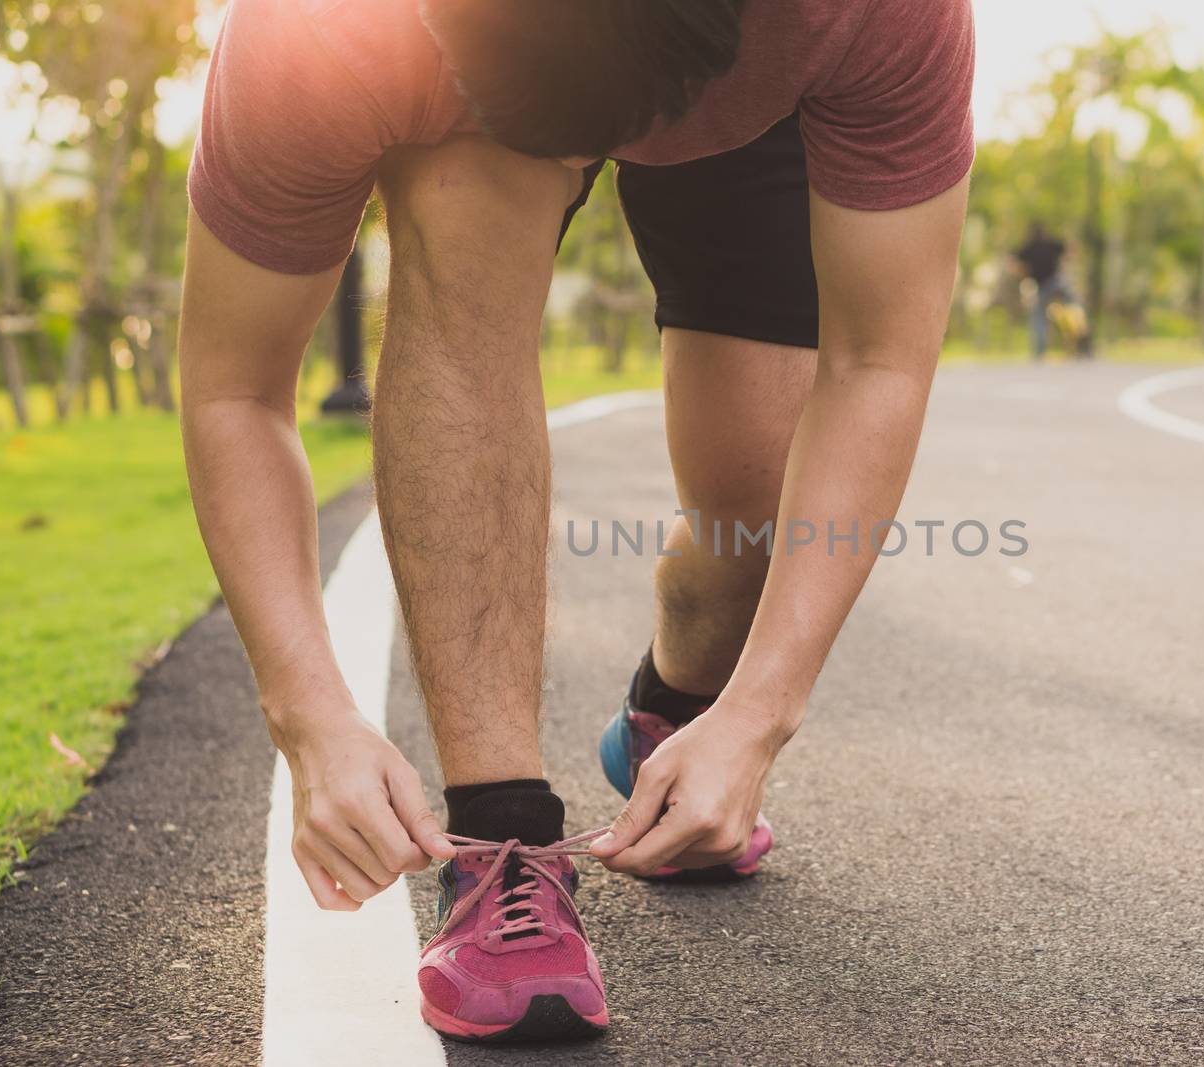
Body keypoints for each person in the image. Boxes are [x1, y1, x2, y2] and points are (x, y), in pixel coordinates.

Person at [178, 0, 974, 1043]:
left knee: (754, 513)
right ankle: (497, 837)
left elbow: (878, 361)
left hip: (755, 92)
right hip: (475, 108)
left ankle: (672, 716)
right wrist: (310, 716)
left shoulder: (865, 14)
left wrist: (753, 715)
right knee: (468, 202)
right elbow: (233, 390)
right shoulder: (328, 32)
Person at [1015, 223, 1075, 359]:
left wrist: (1026, 273)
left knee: (1038, 317)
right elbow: (1070, 249)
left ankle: (1039, 352)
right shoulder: (1051, 243)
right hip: (1057, 282)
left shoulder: (1028, 247)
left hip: (1042, 285)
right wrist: (1066, 264)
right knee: (1074, 307)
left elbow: (1015, 263)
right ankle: (1084, 344)